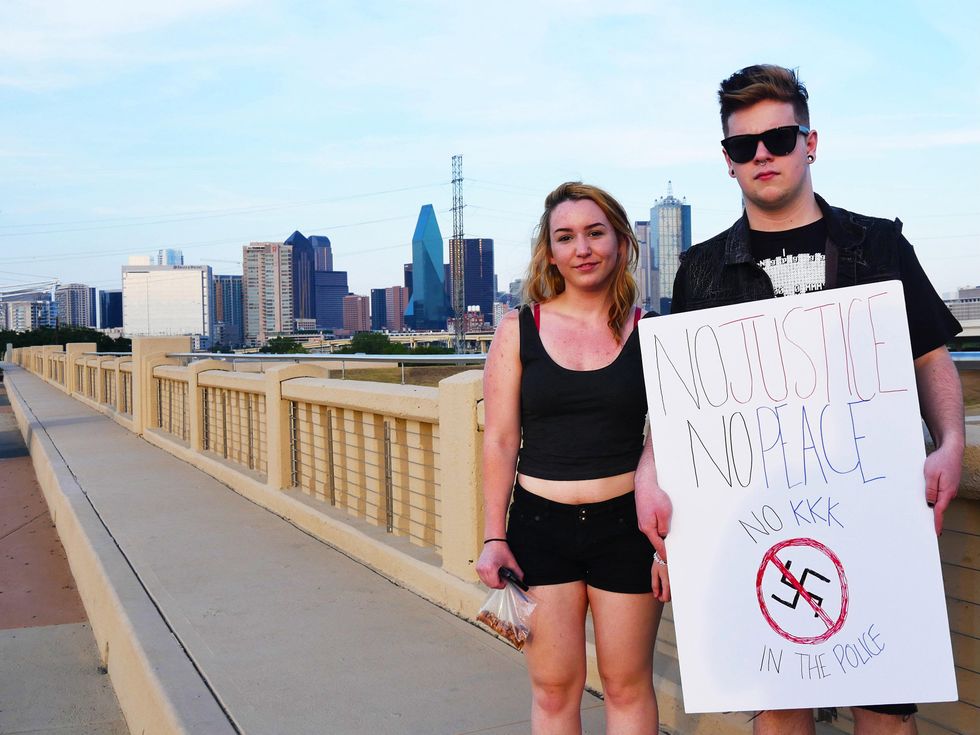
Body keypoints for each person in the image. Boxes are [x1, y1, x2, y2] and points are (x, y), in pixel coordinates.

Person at [637, 64, 964, 735]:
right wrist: (651, 470)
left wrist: (953, 441)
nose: (762, 154)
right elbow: (679, 398)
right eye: (742, 145)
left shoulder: (877, 244)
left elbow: (930, 355)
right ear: (727, 162)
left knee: (885, 709)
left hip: (876, 512)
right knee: (779, 710)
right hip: (759, 522)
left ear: (810, 143)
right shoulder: (700, 268)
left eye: (779, 138)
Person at [476, 181, 670, 734]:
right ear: (551, 252)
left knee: (627, 686)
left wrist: (666, 544)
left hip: (626, 530)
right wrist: (495, 536)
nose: (582, 248)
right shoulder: (518, 330)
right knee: (554, 690)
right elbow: (499, 440)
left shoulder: (650, 333)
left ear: (622, 243)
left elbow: (675, 437)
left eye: (594, 233)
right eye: (566, 237)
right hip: (540, 527)